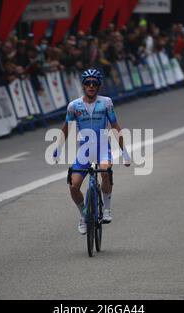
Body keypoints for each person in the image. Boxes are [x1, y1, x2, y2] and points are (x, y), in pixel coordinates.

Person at [53, 69, 131, 235]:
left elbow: (115, 127)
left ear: (99, 86)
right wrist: (58, 148)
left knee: (105, 170)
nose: (91, 86)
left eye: (94, 83)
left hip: (103, 148)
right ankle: (83, 215)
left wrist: (125, 152)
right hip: (84, 151)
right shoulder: (74, 106)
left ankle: (107, 209)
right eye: (88, 83)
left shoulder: (106, 103)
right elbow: (66, 128)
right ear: (83, 85)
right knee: (73, 186)